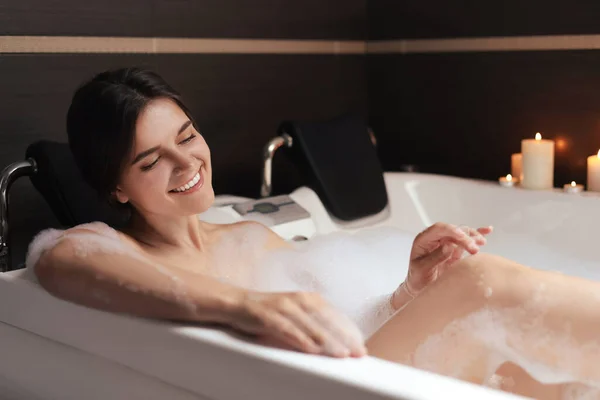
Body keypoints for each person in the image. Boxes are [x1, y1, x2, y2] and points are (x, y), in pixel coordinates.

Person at [28, 68, 600, 399]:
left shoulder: (250, 239)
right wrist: (245, 306)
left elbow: (354, 326)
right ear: (117, 188)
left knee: (524, 373)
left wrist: (408, 291)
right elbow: (55, 259)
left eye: (187, 135)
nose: (188, 163)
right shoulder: (108, 252)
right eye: (152, 160)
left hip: (345, 383)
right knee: (481, 284)